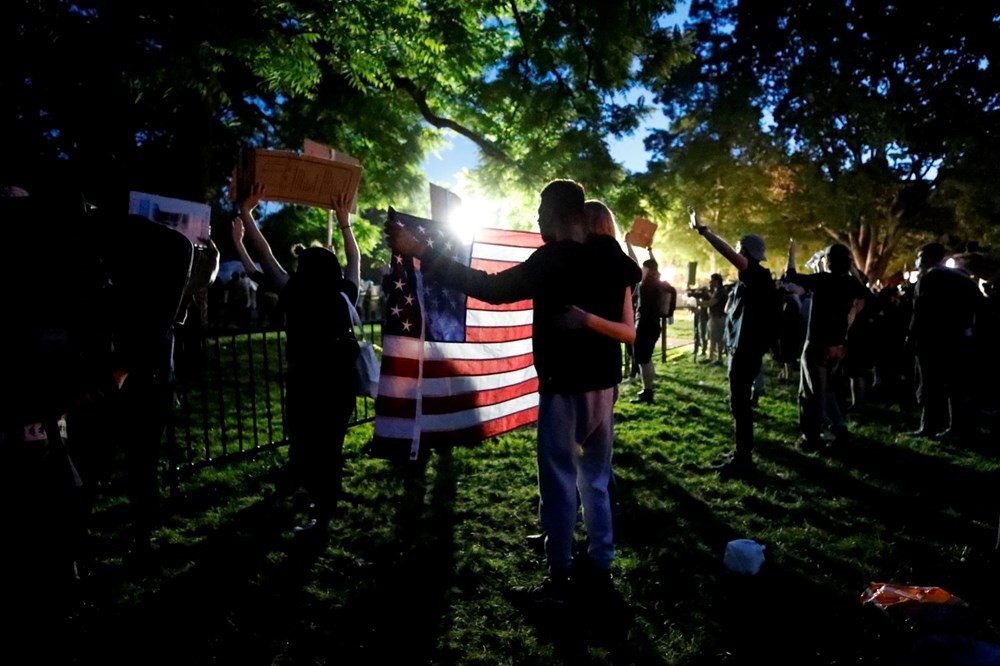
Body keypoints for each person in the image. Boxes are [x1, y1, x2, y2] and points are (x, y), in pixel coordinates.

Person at [384, 180, 640, 605]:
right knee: (595, 480)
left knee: (558, 485)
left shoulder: (552, 259)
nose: (537, 220)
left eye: (541, 212)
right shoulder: (610, 255)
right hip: (604, 387)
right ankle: (600, 567)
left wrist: (423, 253)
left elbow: (492, 289)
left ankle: (559, 580)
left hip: (565, 389)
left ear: (557, 214)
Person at [232, 186, 361, 533]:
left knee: (306, 446)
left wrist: (246, 216)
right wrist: (345, 223)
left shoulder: (295, 293)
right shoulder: (344, 296)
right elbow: (355, 262)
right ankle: (323, 511)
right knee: (331, 449)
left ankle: (314, 504)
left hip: (306, 384)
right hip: (340, 383)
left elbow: (264, 254)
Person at [689, 209, 777, 478]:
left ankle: (743, 459)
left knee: (740, 404)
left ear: (746, 253)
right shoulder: (749, 282)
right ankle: (741, 453)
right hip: (741, 349)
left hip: (746, 351)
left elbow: (728, 253)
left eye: (741, 253)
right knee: (738, 404)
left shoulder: (757, 277)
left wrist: (704, 232)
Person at [782, 241, 873, 450]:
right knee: (831, 390)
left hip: (817, 345)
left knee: (810, 393)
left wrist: (792, 255)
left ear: (829, 261)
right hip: (838, 347)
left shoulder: (823, 280)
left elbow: (791, 276)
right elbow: (866, 293)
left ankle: (811, 437)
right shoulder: (851, 284)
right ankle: (839, 427)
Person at [905, 242, 984, 441]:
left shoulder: (928, 279)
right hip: (960, 338)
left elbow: (920, 312)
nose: (918, 260)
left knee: (929, 384)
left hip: (931, 340)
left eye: (921, 256)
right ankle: (959, 426)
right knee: (957, 385)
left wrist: (911, 337)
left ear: (930, 258)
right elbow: (980, 307)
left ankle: (931, 426)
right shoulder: (963, 278)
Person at [632, 255, 664, 404]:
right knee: (647, 358)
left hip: (644, 325)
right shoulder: (657, 283)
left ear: (648, 269)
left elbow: (634, 263)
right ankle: (648, 389)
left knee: (643, 360)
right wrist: (651, 251)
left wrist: (629, 245)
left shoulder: (646, 284)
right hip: (654, 324)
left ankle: (647, 392)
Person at [706, 273, 728, 364]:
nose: (710, 282)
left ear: (716, 281)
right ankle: (715, 357)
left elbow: (712, 302)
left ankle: (716, 358)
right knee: (715, 338)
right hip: (716, 316)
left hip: (718, 317)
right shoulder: (718, 290)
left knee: (716, 338)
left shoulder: (720, 291)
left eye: (712, 281)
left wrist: (700, 303)